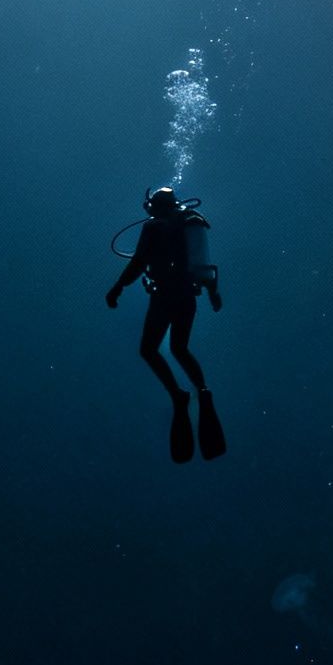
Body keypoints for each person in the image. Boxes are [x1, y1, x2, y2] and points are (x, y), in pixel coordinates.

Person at [107, 188, 226, 462]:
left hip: (164, 296)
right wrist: (213, 293)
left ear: (153, 207)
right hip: (188, 294)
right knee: (180, 348)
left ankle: (178, 395)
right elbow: (202, 263)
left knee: (149, 350)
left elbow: (138, 263)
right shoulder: (191, 222)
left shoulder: (154, 227)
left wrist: (117, 288)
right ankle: (203, 390)